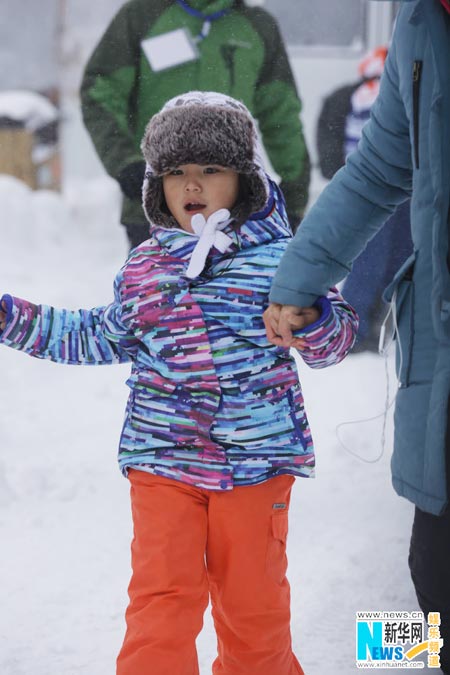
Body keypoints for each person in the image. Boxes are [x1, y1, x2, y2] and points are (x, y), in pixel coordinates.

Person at [0, 91, 356, 675]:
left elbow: (336, 338)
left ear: (243, 180)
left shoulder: (283, 261)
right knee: (160, 603)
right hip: (162, 460)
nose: (191, 184)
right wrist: (10, 318)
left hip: (255, 464)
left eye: (209, 169)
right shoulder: (145, 268)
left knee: (253, 610)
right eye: (174, 172)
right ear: (156, 186)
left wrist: (311, 321)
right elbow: (95, 334)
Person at [264, 1, 450, 672]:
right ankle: (390, 651)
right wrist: (298, 277)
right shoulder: (420, 25)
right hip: (441, 340)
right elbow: (377, 170)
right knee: (430, 570)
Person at [80, 0, 310, 249]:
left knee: (242, 287)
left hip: (237, 216)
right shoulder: (141, 16)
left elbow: (281, 114)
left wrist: (294, 193)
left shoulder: (258, 27)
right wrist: (126, 164)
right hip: (154, 209)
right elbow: (100, 95)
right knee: (151, 286)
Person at [317, 45, 413, 352]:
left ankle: (370, 325)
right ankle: (360, 328)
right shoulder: (381, 97)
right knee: (377, 258)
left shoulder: (357, 95)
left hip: (382, 190)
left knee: (388, 257)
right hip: (386, 189)